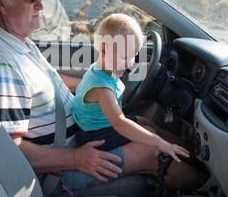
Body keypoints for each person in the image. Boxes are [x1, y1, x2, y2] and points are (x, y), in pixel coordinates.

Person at [0, 0, 208, 195]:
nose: (41, 5)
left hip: (77, 139)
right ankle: (212, 191)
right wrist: (76, 159)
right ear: (1, 2)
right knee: (153, 152)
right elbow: (9, 150)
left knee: (147, 125)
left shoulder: (21, 46)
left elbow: (49, 82)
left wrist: (93, 86)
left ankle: (206, 168)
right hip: (59, 168)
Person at [72, 13, 190, 166]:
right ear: (104, 50)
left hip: (101, 125)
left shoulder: (103, 70)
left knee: (144, 121)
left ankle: (186, 151)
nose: (129, 64)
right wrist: (159, 142)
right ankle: (179, 156)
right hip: (96, 135)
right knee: (152, 135)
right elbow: (119, 123)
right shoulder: (102, 88)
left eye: (133, 56)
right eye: (124, 57)